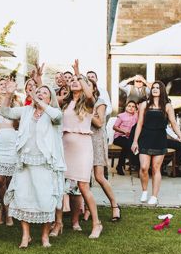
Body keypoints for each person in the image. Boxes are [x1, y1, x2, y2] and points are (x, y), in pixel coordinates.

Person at [0, 82, 65, 248]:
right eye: (38, 92)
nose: (40, 94)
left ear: (50, 98)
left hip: (45, 163)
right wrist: (8, 94)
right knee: (23, 197)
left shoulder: (54, 113)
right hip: (25, 162)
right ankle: (25, 236)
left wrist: (40, 102)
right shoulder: (26, 110)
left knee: (45, 199)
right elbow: (5, 112)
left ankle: (44, 236)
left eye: (44, 92)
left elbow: (57, 117)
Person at [56, 61, 103, 239]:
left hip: (82, 148)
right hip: (64, 147)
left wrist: (78, 73)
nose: (75, 81)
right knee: (60, 186)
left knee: (83, 186)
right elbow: (46, 99)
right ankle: (58, 223)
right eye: (73, 80)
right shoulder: (65, 102)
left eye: (79, 81)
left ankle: (97, 223)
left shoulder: (88, 103)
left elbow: (89, 94)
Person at [131, 80, 181, 206]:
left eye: (158, 87)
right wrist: (135, 141)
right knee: (144, 167)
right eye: (153, 87)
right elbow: (139, 124)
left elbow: (173, 123)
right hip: (145, 138)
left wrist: (180, 137)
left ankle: (154, 196)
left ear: (162, 90)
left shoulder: (167, 106)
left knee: (156, 168)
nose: (155, 89)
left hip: (159, 139)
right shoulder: (144, 104)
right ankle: (144, 191)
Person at [0, 78, 19, 226]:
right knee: (0, 179)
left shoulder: (15, 104)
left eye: (6, 85)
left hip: (12, 143)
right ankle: (7, 211)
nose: (3, 87)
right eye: (1, 85)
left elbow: (17, 126)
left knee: (9, 181)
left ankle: (2, 207)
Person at [89, 85, 121, 221]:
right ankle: (87, 209)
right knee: (84, 178)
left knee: (99, 176)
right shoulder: (79, 102)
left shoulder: (100, 102)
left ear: (94, 89)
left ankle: (115, 205)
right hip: (83, 140)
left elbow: (99, 122)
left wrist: (87, 113)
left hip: (96, 140)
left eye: (88, 85)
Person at [113, 100, 138, 174]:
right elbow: (114, 127)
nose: (131, 108)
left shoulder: (136, 116)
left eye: (133, 106)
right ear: (126, 107)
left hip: (130, 138)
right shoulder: (121, 116)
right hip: (119, 137)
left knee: (131, 145)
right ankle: (131, 164)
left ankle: (122, 165)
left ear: (135, 108)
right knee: (128, 145)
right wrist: (123, 131)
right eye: (129, 106)